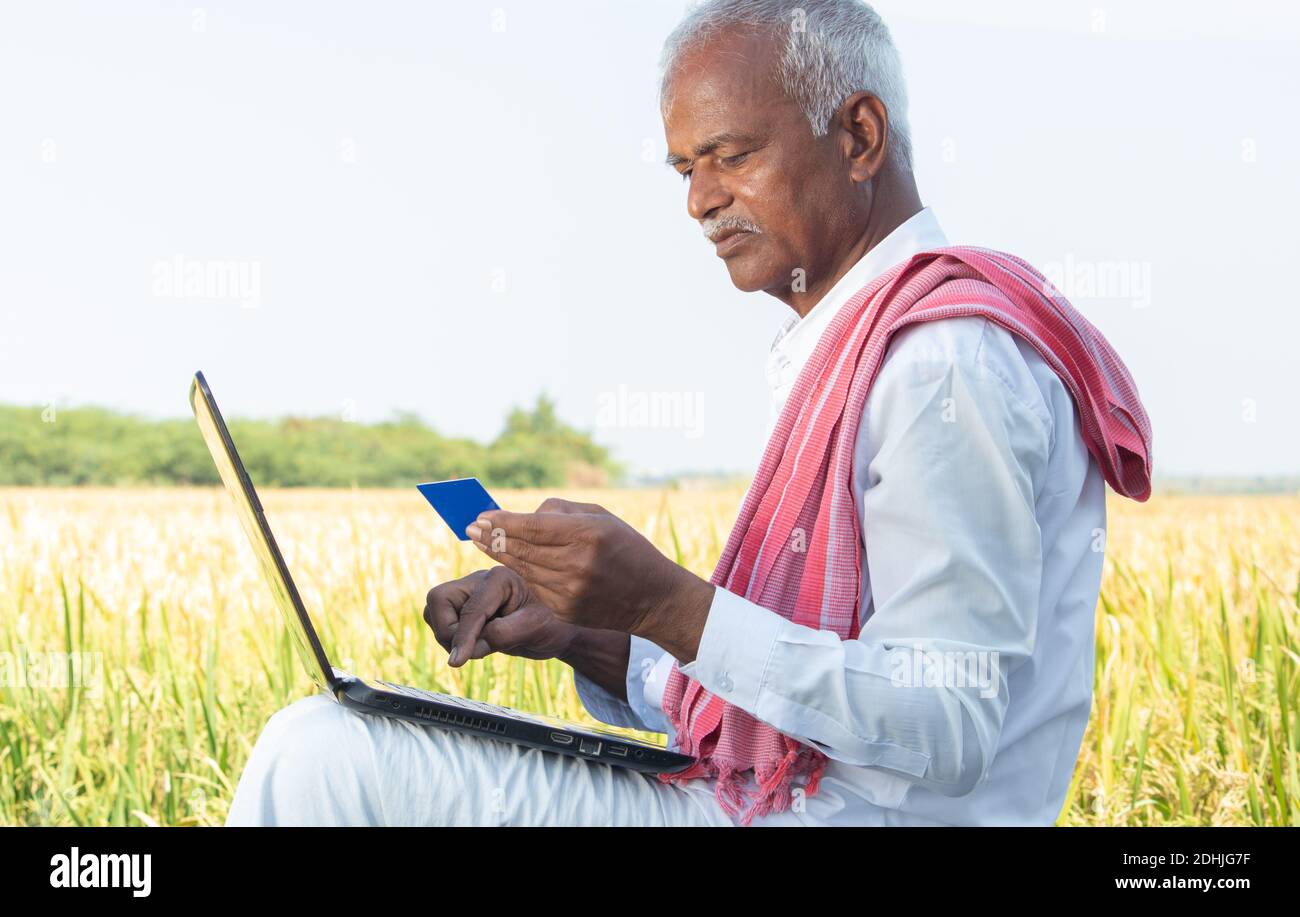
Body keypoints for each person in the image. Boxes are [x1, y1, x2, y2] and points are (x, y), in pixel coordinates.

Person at [226, 0, 1152, 827]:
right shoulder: (868, 344)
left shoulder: (940, 362)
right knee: (339, 736)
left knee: (325, 753)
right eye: (684, 167)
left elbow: (947, 722)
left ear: (859, 136)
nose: (701, 200)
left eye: (733, 155)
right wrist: (586, 630)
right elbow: (791, 692)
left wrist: (672, 605)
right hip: (781, 796)